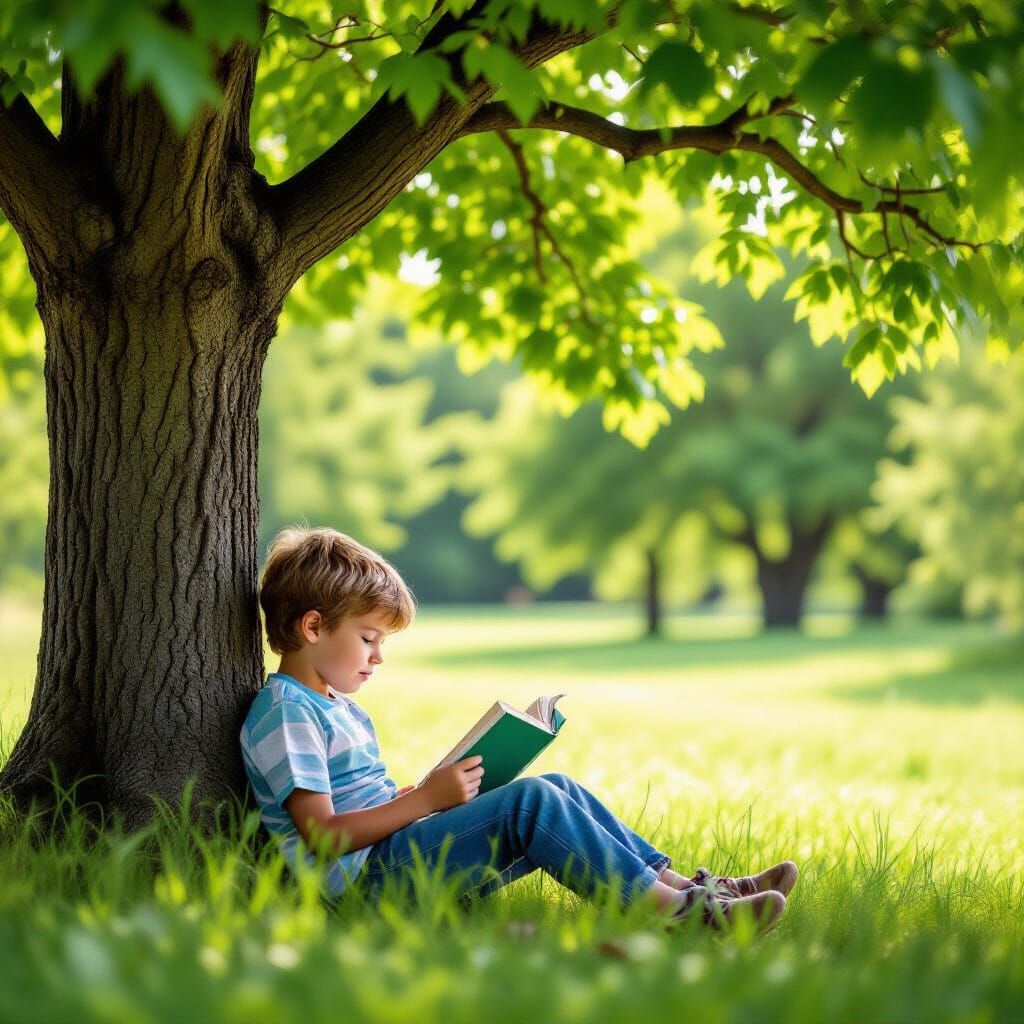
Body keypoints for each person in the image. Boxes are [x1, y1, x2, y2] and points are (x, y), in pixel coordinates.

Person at [240, 526, 797, 933]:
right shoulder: (286, 711)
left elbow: (357, 803)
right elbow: (323, 836)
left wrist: (414, 797)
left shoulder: (334, 704)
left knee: (558, 789)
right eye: (369, 639)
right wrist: (426, 800)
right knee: (530, 803)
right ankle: (678, 918)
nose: (378, 657)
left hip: (388, 856)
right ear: (313, 626)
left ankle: (692, 891)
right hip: (363, 888)